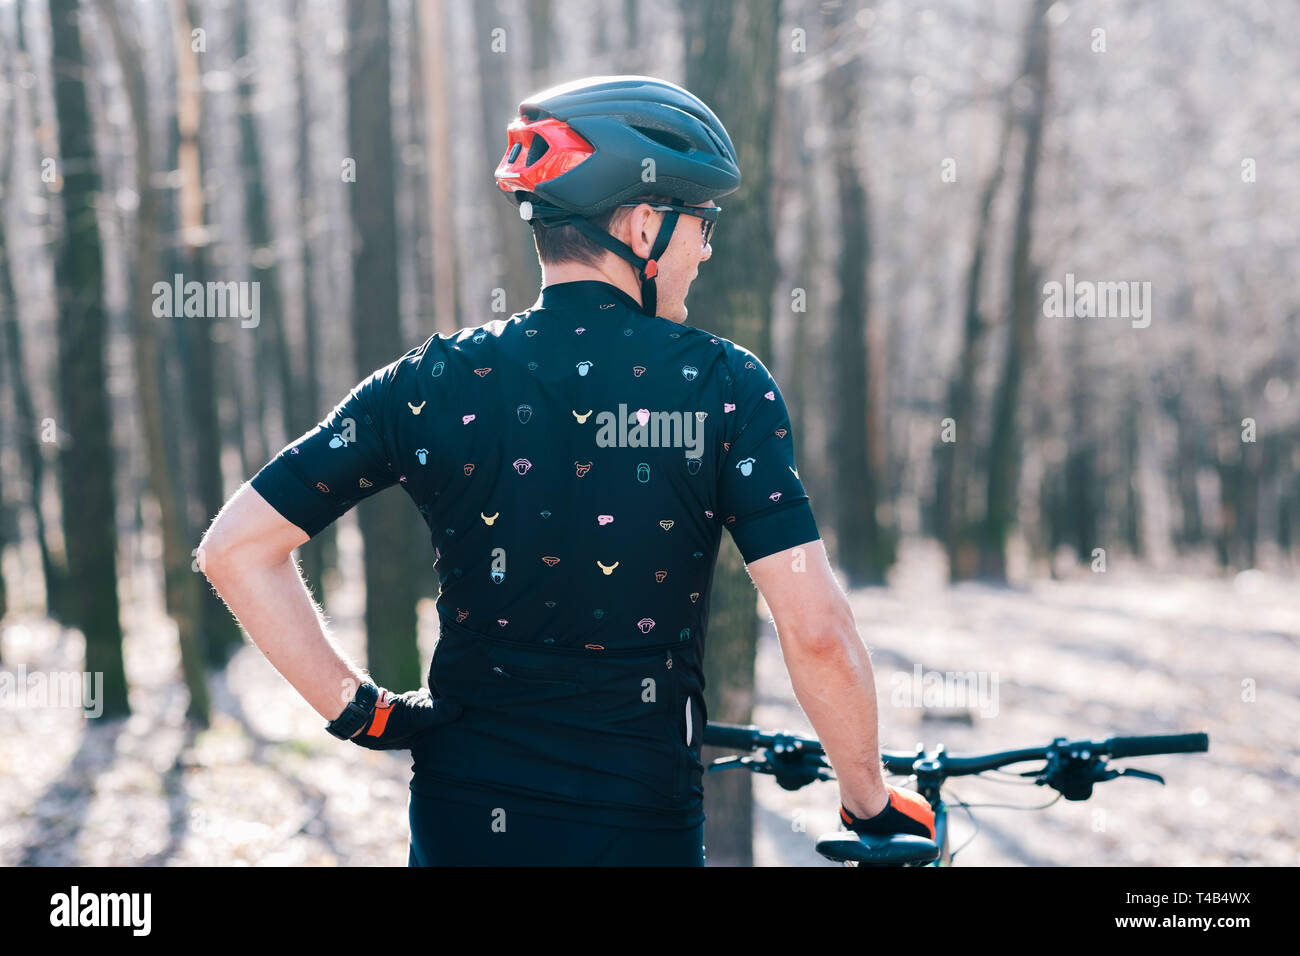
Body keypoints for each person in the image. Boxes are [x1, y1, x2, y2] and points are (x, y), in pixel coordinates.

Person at [198, 74, 932, 867]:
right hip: (638, 827)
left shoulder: (429, 381)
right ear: (646, 224)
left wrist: (362, 714)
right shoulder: (723, 386)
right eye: (702, 221)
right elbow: (818, 632)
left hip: (461, 821)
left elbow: (234, 552)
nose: (708, 247)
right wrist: (869, 801)